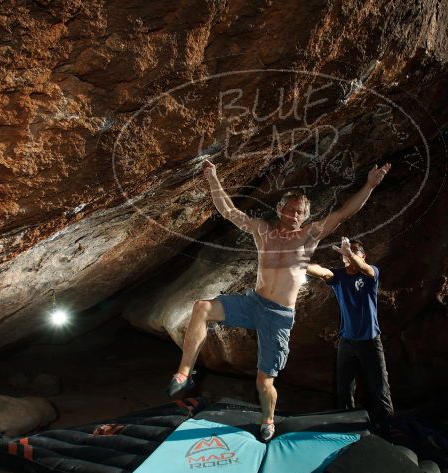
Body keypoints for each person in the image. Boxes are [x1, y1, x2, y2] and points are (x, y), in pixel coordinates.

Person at [167, 158, 392, 441]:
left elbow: (344, 213)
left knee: (264, 382)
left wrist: (369, 186)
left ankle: (268, 420)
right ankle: (184, 373)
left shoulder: (308, 236)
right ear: (280, 209)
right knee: (202, 307)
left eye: (300, 212)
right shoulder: (263, 231)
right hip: (254, 303)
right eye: (290, 209)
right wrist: (212, 177)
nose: (294, 215)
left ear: (305, 216)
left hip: (279, 316)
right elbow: (229, 211)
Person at [306, 238, 394, 434]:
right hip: (347, 342)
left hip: (370, 342)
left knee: (380, 388)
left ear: (363, 256)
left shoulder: (371, 274)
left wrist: (351, 254)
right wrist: (299, 262)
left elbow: (364, 268)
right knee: (344, 388)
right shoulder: (338, 277)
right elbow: (321, 271)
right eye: (345, 255)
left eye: (354, 252)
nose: (348, 257)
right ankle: (347, 427)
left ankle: (389, 429)